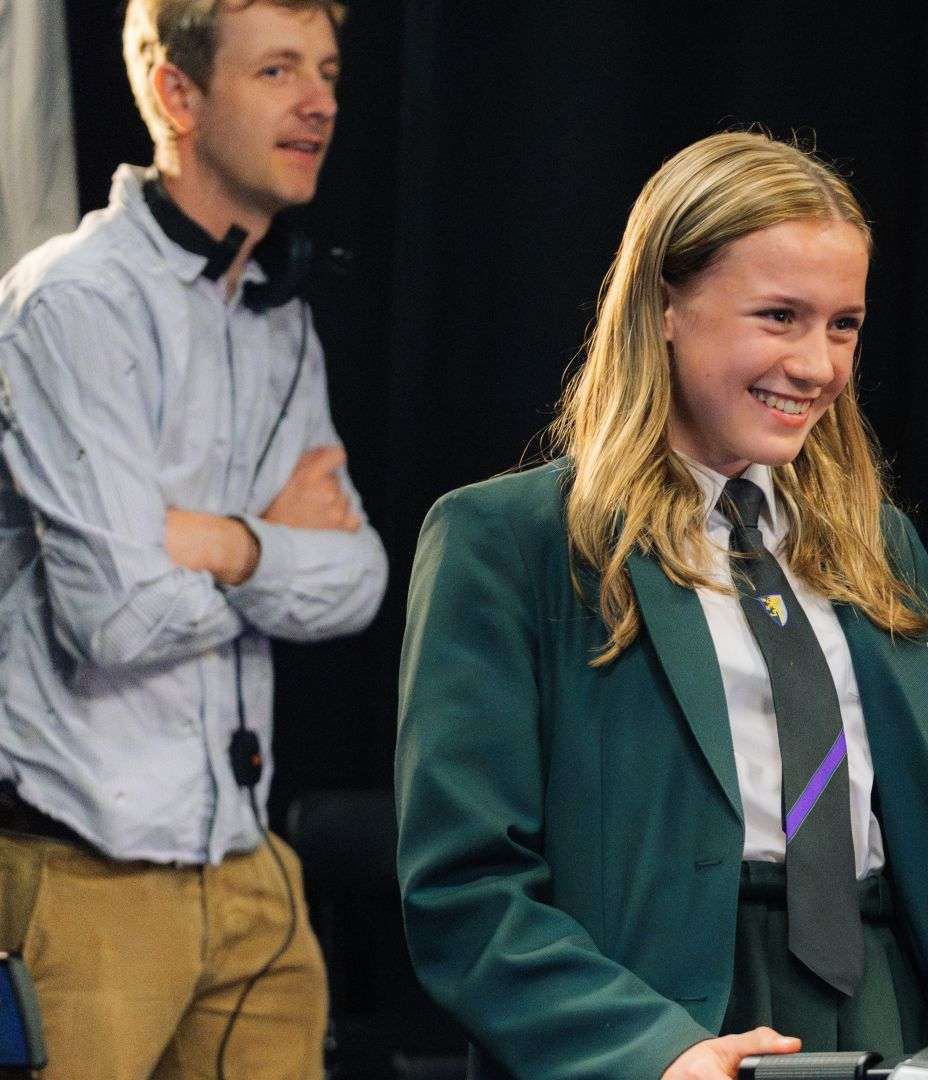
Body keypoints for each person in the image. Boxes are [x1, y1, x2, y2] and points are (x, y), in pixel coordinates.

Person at [393, 131, 928, 1080]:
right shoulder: (510, 543)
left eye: (843, 325)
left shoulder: (880, 549)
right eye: (779, 316)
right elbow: (466, 891)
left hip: (897, 1013)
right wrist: (657, 1054)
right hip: (668, 1029)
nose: (817, 365)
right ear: (664, 306)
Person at [0, 1, 384, 1077]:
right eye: (276, 70)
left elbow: (358, 580)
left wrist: (222, 541)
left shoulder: (276, 313)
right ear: (177, 94)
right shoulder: (74, 306)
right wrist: (274, 540)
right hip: (86, 879)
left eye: (328, 70)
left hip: (252, 867)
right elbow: (118, 618)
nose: (319, 101)